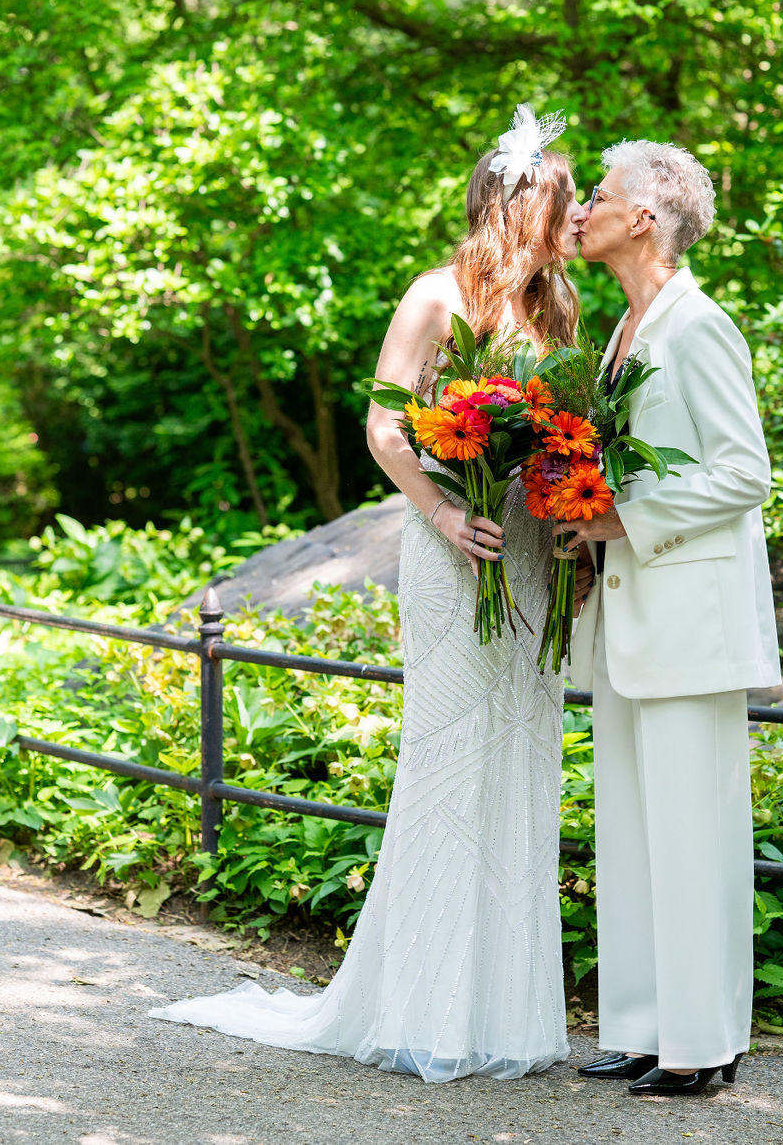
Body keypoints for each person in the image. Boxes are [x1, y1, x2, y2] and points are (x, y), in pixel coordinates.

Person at [151, 105, 588, 1082]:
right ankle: (422, 1008)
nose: (575, 216)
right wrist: (439, 515)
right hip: (454, 545)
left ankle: (505, 1019)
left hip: (525, 549)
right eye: (563, 199)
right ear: (517, 204)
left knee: (518, 759)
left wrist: (566, 512)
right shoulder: (435, 294)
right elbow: (386, 426)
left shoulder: (558, 308)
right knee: (448, 762)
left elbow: (565, 432)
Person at [564, 139, 781, 1098]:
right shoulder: (624, 328)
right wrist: (581, 523)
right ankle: (647, 1027)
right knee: (635, 832)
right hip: (626, 615)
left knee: (695, 835)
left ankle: (704, 1043)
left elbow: (746, 472)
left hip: (689, 619)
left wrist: (624, 518)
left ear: (643, 218)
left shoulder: (698, 325)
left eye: (598, 197)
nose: (581, 211)